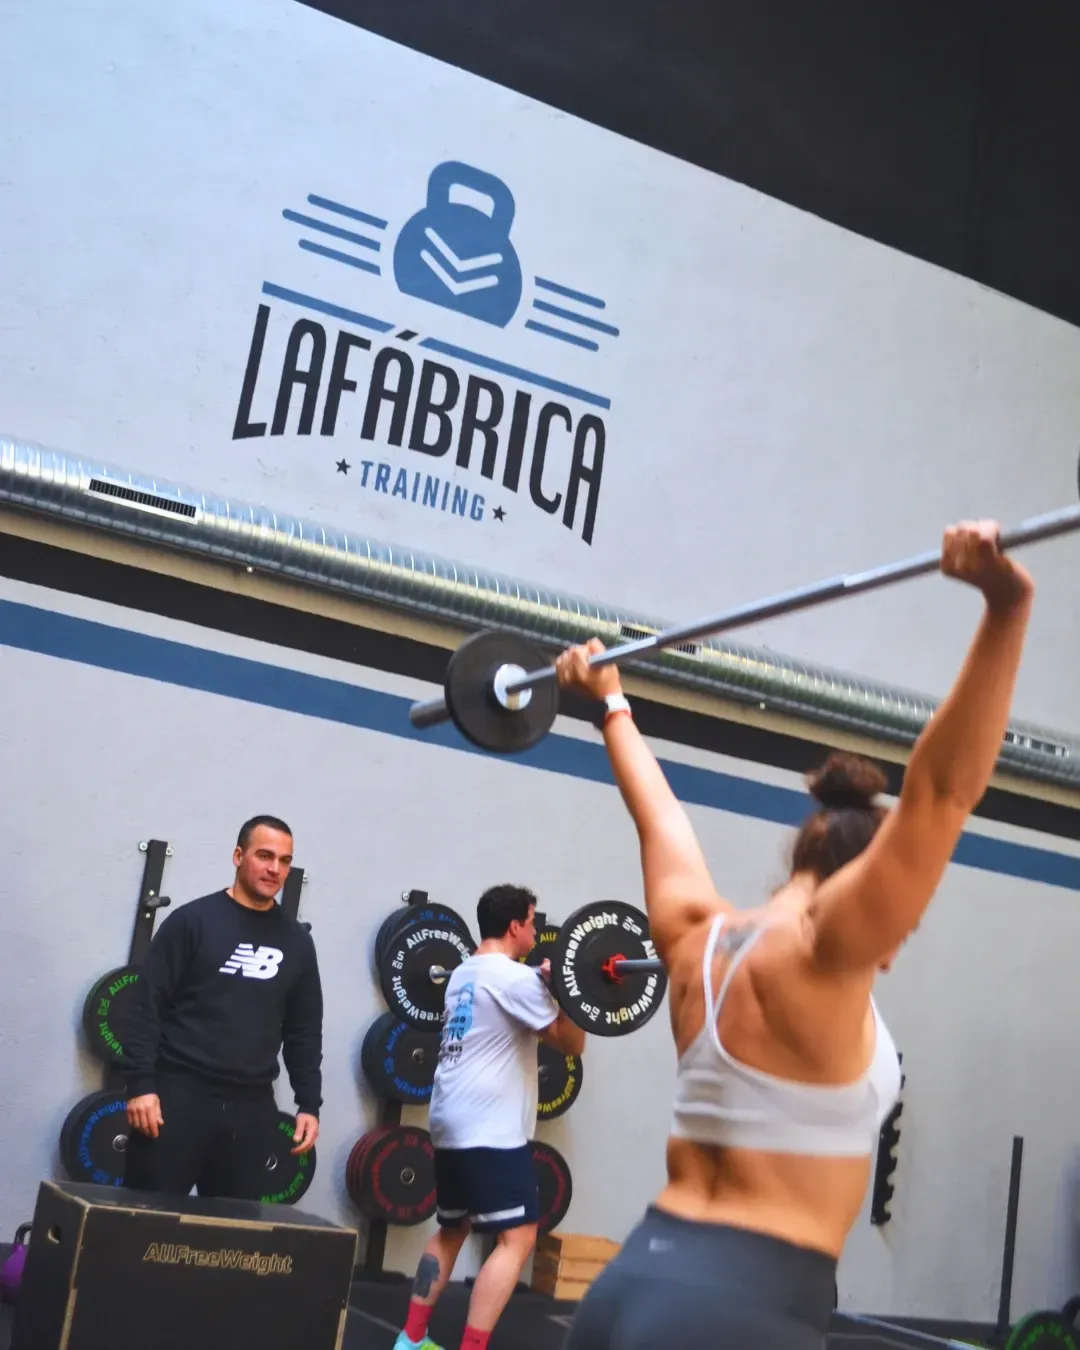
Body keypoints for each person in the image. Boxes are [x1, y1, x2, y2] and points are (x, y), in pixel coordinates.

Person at [552, 519, 1034, 1350]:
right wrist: (1005, 604)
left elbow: (659, 816)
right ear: (867, 887)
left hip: (630, 1284)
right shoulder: (826, 948)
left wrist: (611, 703)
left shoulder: (695, 935)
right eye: (903, 917)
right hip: (737, 1313)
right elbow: (943, 791)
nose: (898, 938)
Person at [393, 884, 586, 1350]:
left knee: (451, 1228)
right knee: (517, 1239)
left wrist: (547, 984)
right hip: (490, 1129)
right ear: (516, 925)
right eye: (533, 922)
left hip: (449, 1120)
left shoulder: (463, 973)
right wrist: (569, 993)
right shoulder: (512, 978)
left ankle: (411, 1339)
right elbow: (570, 1043)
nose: (536, 931)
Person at [122, 815, 323, 1202]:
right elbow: (147, 1006)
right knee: (143, 1227)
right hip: (177, 1097)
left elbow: (303, 1029)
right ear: (237, 855)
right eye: (264, 856)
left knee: (233, 1238)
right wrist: (141, 1085)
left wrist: (308, 1103)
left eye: (284, 860)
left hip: (252, 1108)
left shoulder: (296, 942)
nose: (274, 869)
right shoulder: (191, 922)